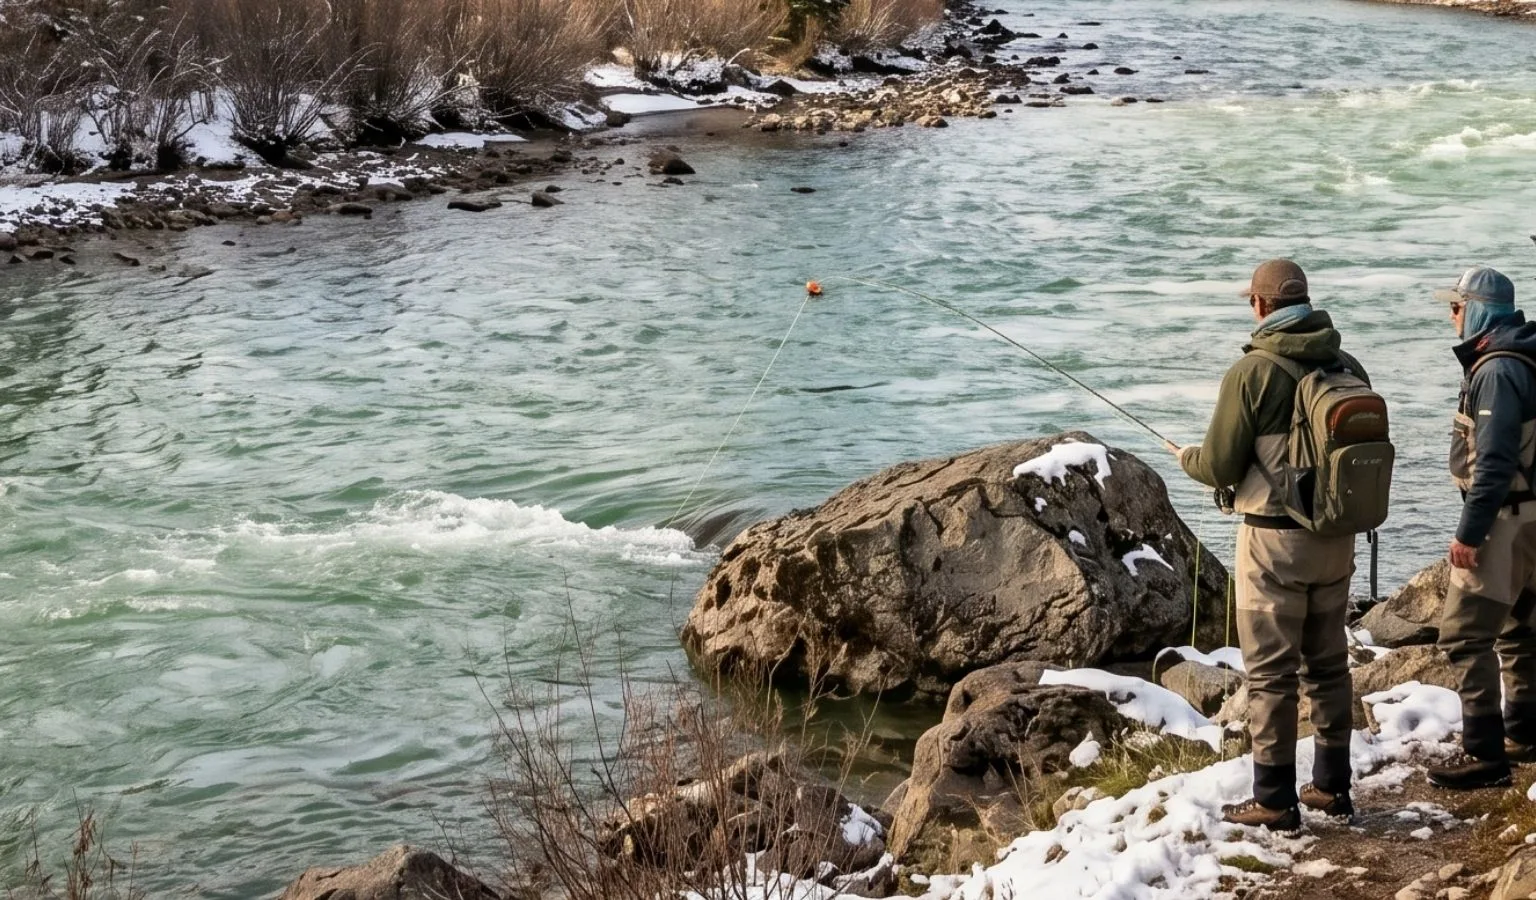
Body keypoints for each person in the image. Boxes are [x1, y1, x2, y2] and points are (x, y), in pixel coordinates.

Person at [1170, 259, 1361, 830]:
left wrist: (1187, 460)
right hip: (1336, 540)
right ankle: (1332, 788)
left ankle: (1275, 800)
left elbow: (1221, 464)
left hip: (1274, 546)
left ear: (1259, 306)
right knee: (1329, 667)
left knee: (1272, 676)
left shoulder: (1250, 373)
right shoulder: (1347, 364)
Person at [1428, 265, 1536, 790]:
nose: (1451, 316)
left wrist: (1468, 534)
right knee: (1522, 627)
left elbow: (1492, 462)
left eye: (1456, 306)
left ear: (1477, 309)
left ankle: (1484, 755)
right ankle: (1524, 731)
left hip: (1504, 520)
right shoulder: (1526, 355)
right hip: (1532, 516)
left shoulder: (1495, 369)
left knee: (1466, 637)